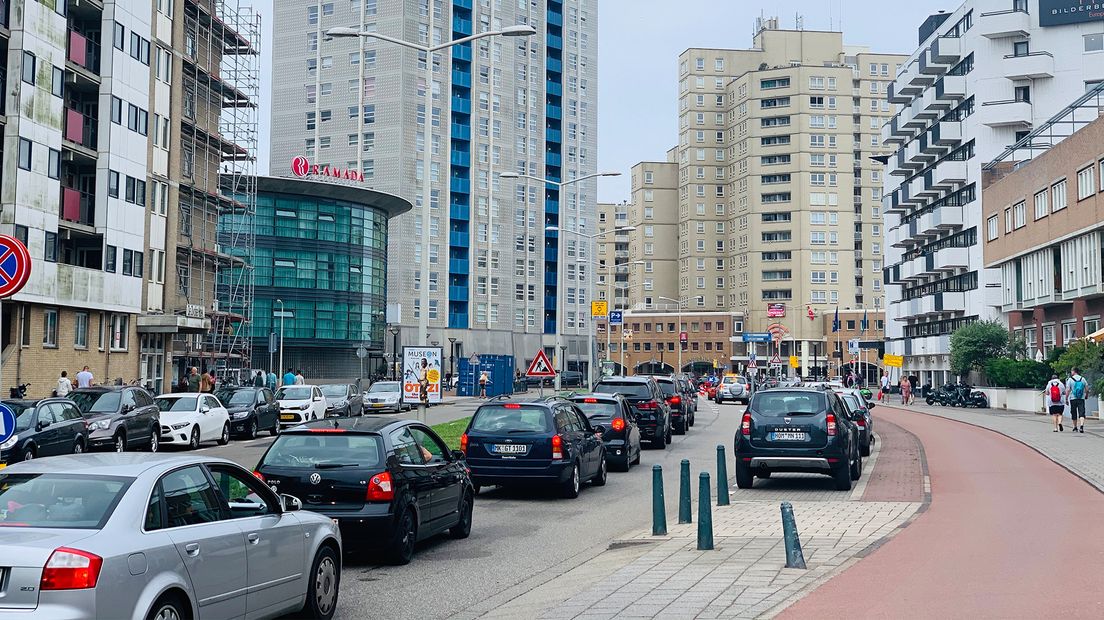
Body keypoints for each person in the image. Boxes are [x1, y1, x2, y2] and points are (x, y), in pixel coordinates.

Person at [1066, 368, 1088, 434]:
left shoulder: (1070, 379)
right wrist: (1086, 395)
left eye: (1071, 371)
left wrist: (1066, 398)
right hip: (1081, 398)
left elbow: (1068, 390)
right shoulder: (1083, 379)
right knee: (1082, 412)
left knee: (1074, 412)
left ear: (1074, 371)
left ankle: (1075, 427)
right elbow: (1087, 389)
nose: (1071, 372)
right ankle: (1081, 426)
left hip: (1073, 398)